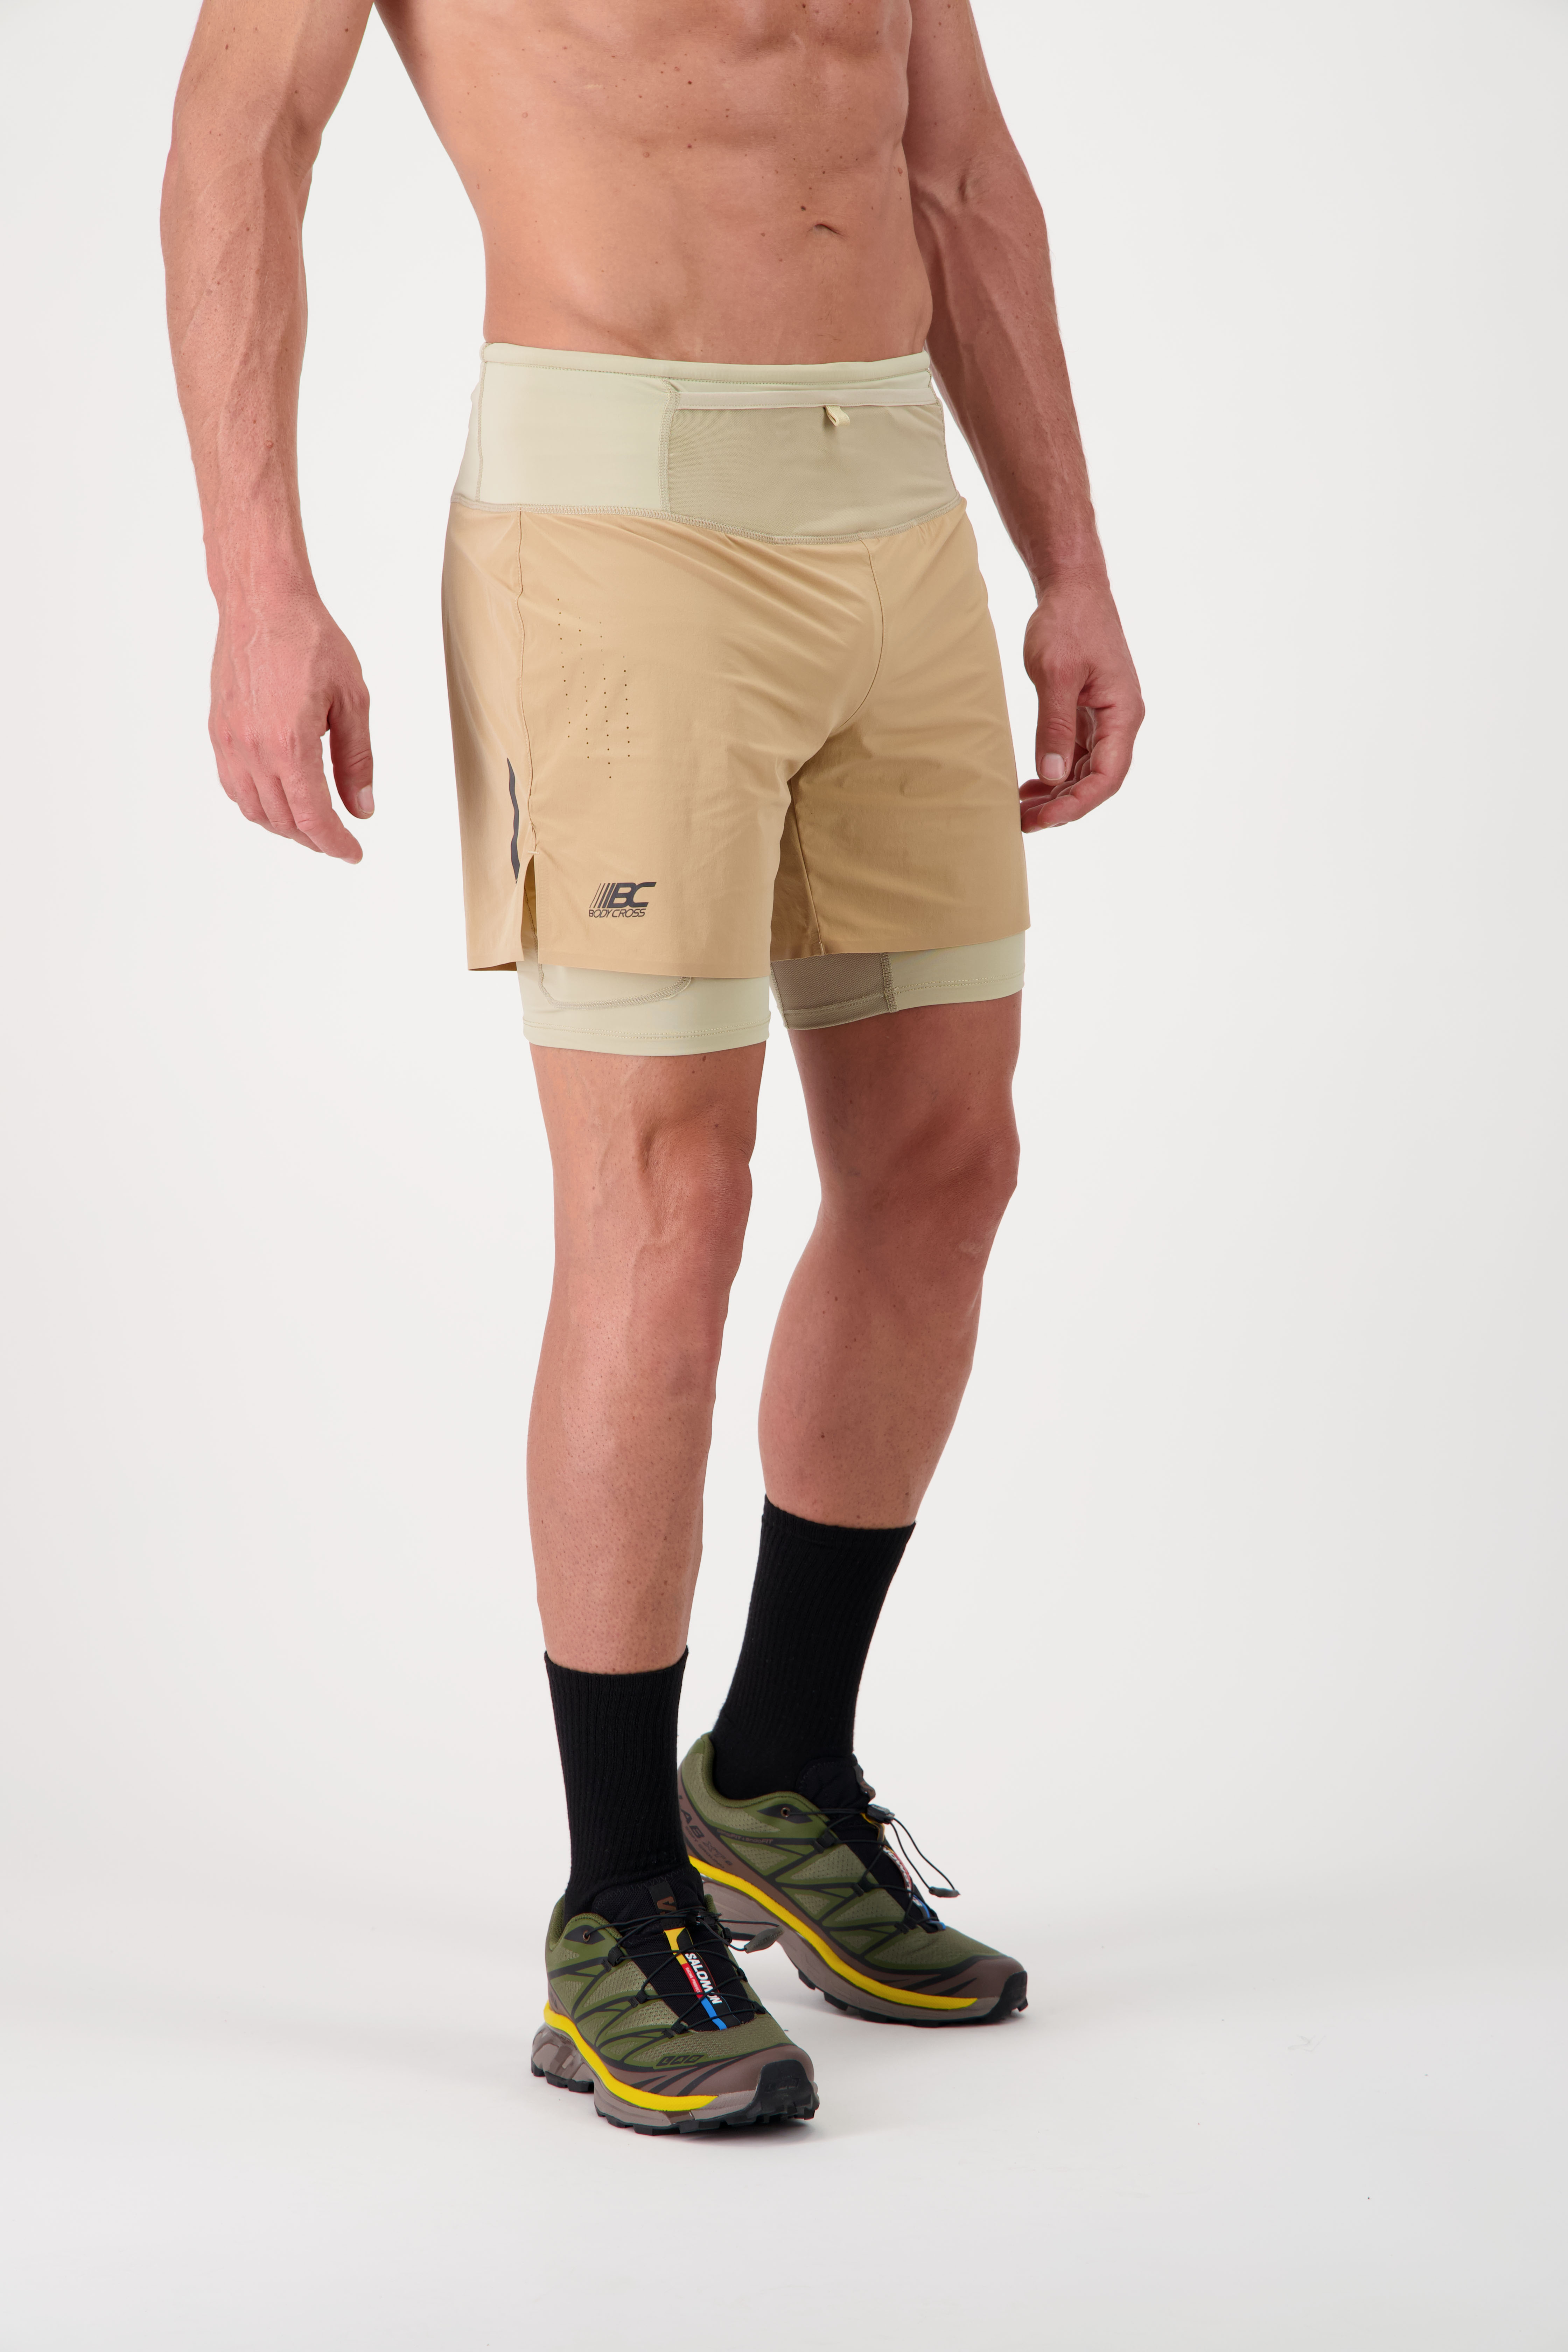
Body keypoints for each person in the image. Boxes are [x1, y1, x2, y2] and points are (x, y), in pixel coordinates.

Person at [161, 0, 1143, 2136]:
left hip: (895, 510)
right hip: (616, 523)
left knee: (945, 1163)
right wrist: (257, 580)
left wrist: (1068, 559)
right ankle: (616, 1896)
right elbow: (242, 139)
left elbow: (957, 165)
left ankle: (776, 1769)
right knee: (668, 1194)